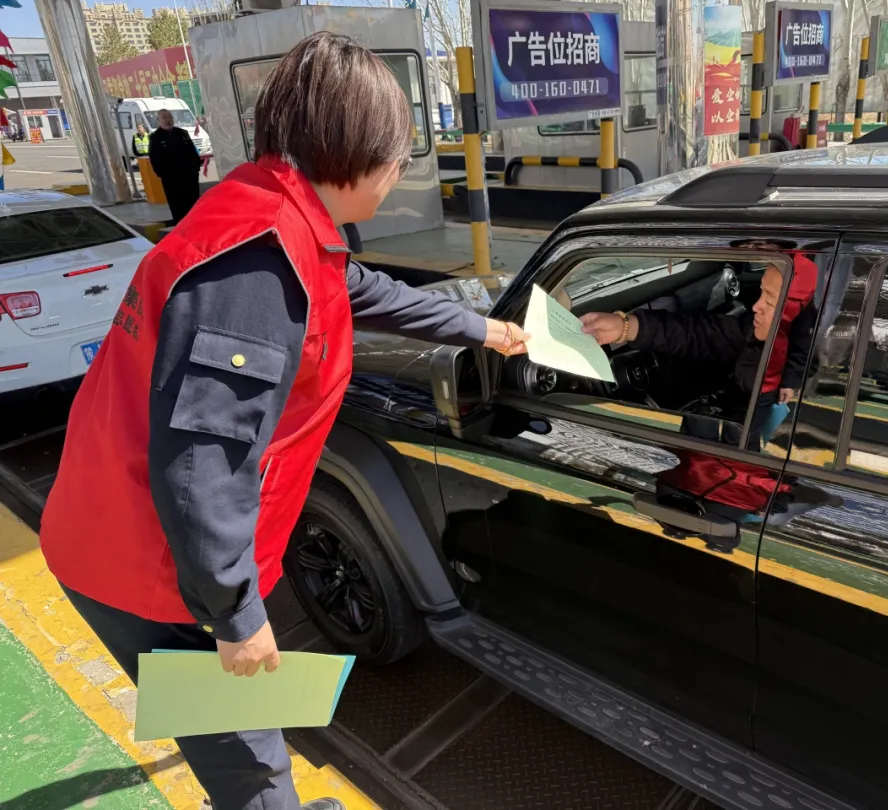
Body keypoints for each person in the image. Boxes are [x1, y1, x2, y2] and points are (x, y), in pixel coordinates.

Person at [40, 33, 528, 810]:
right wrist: (235, 614)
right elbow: (201, 465)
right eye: (399, 155)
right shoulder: (257, 269)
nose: (400, 172)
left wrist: (482, 329)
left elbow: (359, 289)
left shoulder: (272, 214)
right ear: (358, 152)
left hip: (126, 528)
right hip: (145, 561)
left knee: (241, 743)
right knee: (251, 762)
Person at [580, 254, 818, 447]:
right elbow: (700, 333)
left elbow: (746, 448)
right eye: (761, 292)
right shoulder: (756, 333)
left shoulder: (799, 371)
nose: (756, 306)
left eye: (770, 300)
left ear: (792, 311)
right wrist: (626, 327)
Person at [149, 108, 202, 224]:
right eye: (164, 118)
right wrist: (162, 174)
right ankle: (181, 225)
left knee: (193, 202)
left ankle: (196, 222)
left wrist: (196, 167)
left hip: (189, 176)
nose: (167, 120)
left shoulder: (182, 133)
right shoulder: (155, 137)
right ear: (158, 121)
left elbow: (192, 151)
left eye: (169, 117)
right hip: (172, 179)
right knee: (177, 205)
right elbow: (154, 159)